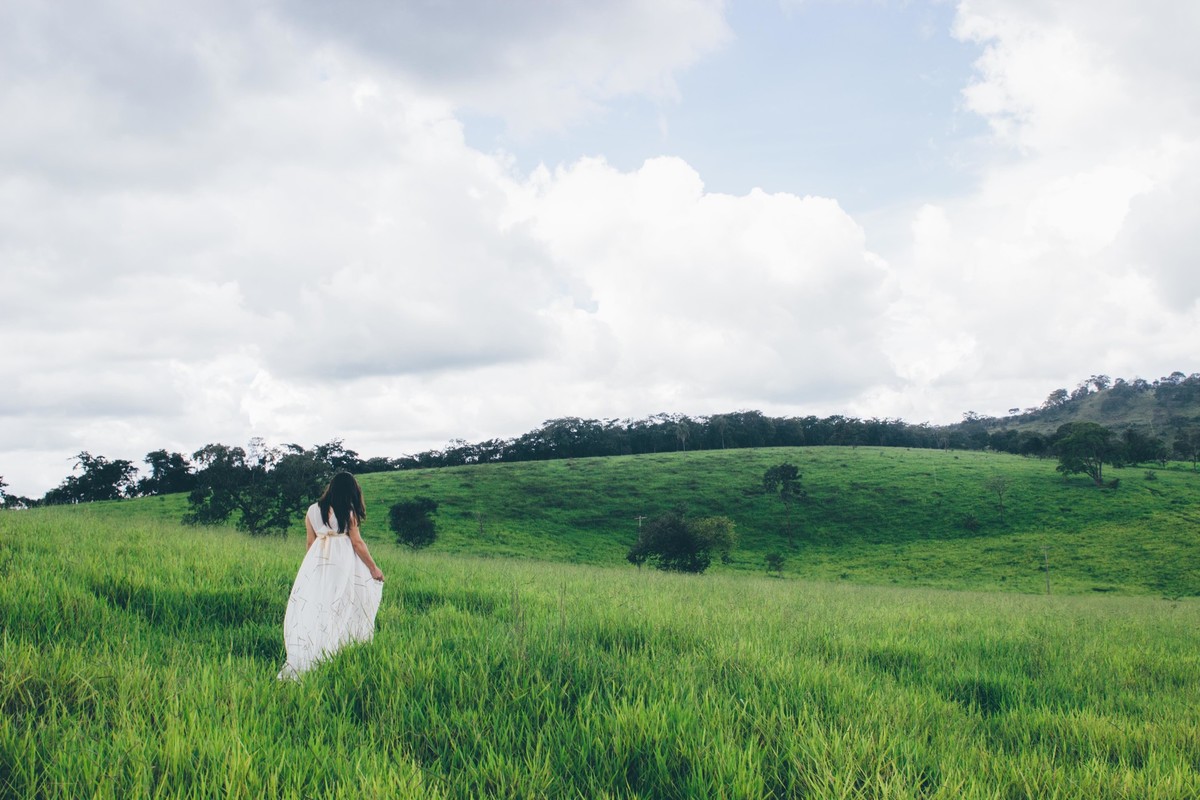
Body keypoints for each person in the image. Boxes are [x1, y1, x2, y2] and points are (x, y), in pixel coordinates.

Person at [277, 471, 385, 680]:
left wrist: (313, 570)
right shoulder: (348, 510)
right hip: (342, 563)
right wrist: (373, 568)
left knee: (320, 605)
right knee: (345, 603)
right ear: (351, 491)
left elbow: (310, 543)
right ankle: (336, 649)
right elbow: (357, 543)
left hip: (318, 562)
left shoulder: (311, 510)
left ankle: (317, 648)